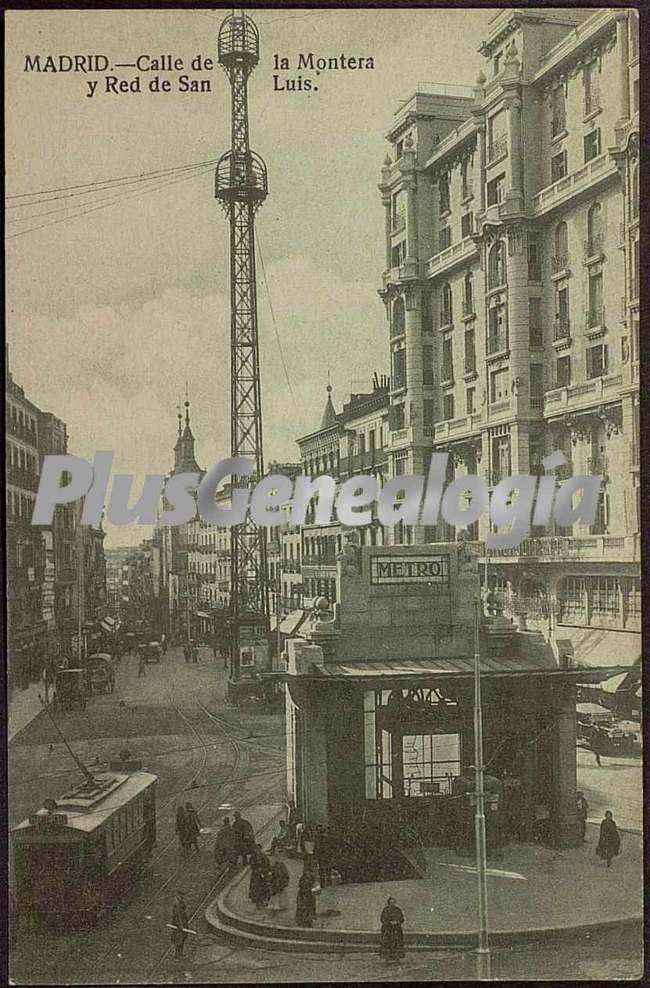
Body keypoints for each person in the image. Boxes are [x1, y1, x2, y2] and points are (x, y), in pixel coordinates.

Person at [379, 897, 406, 965]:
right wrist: (389, 922)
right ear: (388, 903)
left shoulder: (398, 910)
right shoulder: (385, 910)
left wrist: (397, 922)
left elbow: (402, 918)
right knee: (387, 944)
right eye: (391, 903)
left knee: (397, 944)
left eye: (394, 903)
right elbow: (382, 919)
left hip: (396, 930)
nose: (392, 904)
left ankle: (397, 959)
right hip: (388, 930)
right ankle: (387, 960)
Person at [248, 844, 272, 909]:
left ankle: (262, 901)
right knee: (255, 887)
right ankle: (257, 901)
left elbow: (268, 865)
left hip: (263, 875)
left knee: (263, 888)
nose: (257, 851)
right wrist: (256, 869)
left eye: (258, 849)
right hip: (256, 875)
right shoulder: (253, 857)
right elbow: (251, 865)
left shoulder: (264, 857)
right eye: (256, 849)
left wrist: (264, 870)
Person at [170, 890, 189, 958]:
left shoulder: (179, 901)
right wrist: (181, 926)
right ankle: (178, 955)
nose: (183, 896)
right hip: (179, 925)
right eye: (182, 894)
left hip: (181, 923)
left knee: (181, 938)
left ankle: (179, 953)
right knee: (179, 939)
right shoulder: (177, 903)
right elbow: (178, 916)